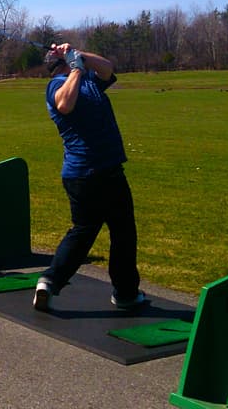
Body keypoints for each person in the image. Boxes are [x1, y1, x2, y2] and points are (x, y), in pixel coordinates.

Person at [33, 43, 145, 312]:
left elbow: (107, 69)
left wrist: (81, 56)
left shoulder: (90, 81)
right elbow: (64, 104)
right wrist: (75, 70)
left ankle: (50, 281)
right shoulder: (56, 85)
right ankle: (126, 293)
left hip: (108, 169)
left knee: (110, 233)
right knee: (105, 232)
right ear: (59, 67)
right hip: (84, 173)